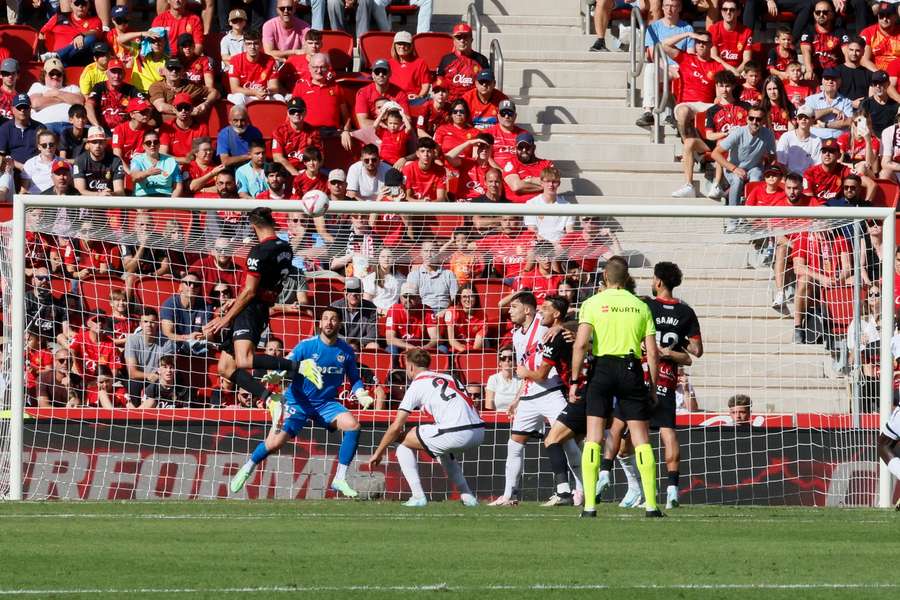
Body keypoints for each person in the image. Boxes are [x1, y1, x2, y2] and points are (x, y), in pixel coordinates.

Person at [230, 306, 373, 498]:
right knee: (274, 444)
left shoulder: (346, 351)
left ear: (339, 323)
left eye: (333, 319)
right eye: (325, 318)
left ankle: (339, 478)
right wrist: (276, 376)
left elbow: (354, 378)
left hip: (325, 404)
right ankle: (248, 467)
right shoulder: (306, 346)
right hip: (297, 401)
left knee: (353, 426)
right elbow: (285, 365)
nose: (329, 322)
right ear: (320, 323)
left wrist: (361, 392)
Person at [572, 257, 662, 518]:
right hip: (630, 369)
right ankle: (651, 506)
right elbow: (653, 353)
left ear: (604, 278)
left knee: (594, 437)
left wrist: (576, 379)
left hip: (601, 369)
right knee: (641, 438)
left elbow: (580, 345)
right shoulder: (640, 306)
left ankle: (589, 506)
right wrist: (653, 386)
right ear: (626, 279)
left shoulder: (591, 303)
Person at [609, 262, 702, 510]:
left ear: (658, 281)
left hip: (640, 377)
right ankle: (672, 491)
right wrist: (673, 348)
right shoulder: (686, 312)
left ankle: (626, 483)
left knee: (621, 433)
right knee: (667, 431)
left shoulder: (645, 305)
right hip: (667, 380)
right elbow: (696, 351)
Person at [203, 208, 317, 406]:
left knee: (244, 360)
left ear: (253, 226)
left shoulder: (258, 252)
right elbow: (265, 286)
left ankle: (298, 365)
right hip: (260, 307)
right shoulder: (286, 248)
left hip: (250, 310)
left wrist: (226, 317)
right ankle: (270, 399)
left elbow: (250, 291)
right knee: (225, 368)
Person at [488, 291, 579, 506]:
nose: (509, 311)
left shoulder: (544, 321)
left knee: (567, 442)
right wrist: (518, 397)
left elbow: (574, 320)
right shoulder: (517, 335)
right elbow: (524, 368)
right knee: (514, 444)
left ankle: (581, 491)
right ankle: (510, 495)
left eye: (514, 307)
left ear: (527, 310)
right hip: (529, 394)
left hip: (551, 390)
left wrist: (562, 326)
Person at [368, 348, 483, 507]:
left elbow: (396, 426)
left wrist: (378, 453)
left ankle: (418, 496)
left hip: (456, 432)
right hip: (479, 431)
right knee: (442, 449)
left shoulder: (417, 385)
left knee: (401, 439)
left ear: (410, 367)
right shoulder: (448, 377)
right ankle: (468, 496)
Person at [711, 105, 777, 225]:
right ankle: (733, 220)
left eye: (758, 119)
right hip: (734, 167)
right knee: (737, 180)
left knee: (756, 177)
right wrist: (734, 168)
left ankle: (751, 218)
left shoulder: (768, 135)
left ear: (763, 121)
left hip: (754, 168)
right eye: (751, 118)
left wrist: (768, 172)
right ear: (747, 119)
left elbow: (772, 157)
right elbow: (715, 154)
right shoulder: (738, 132)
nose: (754, 122)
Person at [635, 0, 694, 128]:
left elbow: (690, 55)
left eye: (673, 6)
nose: (669, 9)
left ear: (679, 8)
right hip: (662, 66)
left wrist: (676, 69)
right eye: (666, 6)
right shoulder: (654, 28)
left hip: (680, 67)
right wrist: (669, 68)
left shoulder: (687, 28)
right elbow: (652, 54)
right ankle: (648, 112)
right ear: (662, 7)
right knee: (650, 67)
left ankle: (677, 115)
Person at [291, 53, 353, 151]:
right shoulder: (300, 87)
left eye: (322, 67)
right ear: (309, 68)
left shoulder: (336, 88)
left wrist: (346, 131)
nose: (319, 71)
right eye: (315, 67)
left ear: (328, 68)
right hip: (307, 133)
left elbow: (346, 116)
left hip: (331, 134)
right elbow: (290, 113)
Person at [124, 306, 178, 403]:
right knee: (133, 383)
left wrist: (157, 375)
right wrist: (149, 375)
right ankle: (135, 414)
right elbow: (132, 373)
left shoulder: (167, 342)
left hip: (159, 377)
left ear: (157, 323)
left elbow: (168, 367)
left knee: (168, 381)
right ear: (140, 324)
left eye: (152, 322)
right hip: (140, 378)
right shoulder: (132, 340)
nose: (149, 325)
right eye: (145, 322)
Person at [39, 0, 103, 67]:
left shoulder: (95, 20)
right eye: (77, 3)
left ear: (89, 5)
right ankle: (57, 56)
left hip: (76, 57)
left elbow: (96, 32)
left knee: (91, 38)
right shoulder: (59, 17)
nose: (80, 6)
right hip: (56, 62)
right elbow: (42, 33)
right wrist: (41, 51)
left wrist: (82, 35)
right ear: (71, 4)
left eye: (84, 3)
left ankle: (57, 55)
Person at [85, 58, 143, 132]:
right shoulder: (99, 87)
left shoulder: (131, 89)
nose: (116, 76)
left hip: (125, 132)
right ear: (107, 73)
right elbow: (88, 105)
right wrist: (97, 126)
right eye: (113, 72)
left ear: (124, 74)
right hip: (103, 132)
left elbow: (143, 105)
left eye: (119, 72)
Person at [149, 57, 219, 117]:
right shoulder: (157, 86)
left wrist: (206, 103)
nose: (174, 71)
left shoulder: (191, 86)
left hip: (189, 125)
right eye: (170, 68)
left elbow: (214, 92)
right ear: (163, 71)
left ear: (183, 72)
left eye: (177, 69)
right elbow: (161, 107)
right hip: (166, 126)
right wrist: (187, 112)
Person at [227, 31, 282, 106]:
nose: (252, 47)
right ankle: (239, 118)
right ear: (244, 45)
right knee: (238, 97)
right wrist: (254, 92)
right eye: (249, 44)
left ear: (260, 44)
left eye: (255, 43)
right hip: (245, 95)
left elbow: (275, 87)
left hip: (263, 94)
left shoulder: (270, 60)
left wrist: (265, 91)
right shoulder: (235, 60)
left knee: (279, 98)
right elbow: (234, 89)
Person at [436, 23, 490, 101]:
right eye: (458, 37)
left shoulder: (481, 60)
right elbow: (439, 85)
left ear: (471, 39)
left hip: (473, 104)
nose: (462, 40)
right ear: (453, 40)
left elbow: (488, 85)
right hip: (450, 105)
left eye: (465, 37)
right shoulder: (446, 60)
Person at [272, 97, 323, 178]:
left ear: (305, 112)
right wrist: (297, 175)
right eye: (292, 111)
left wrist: (309, 173)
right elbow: (277, 157)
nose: (296, 113)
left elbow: (320, 157)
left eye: (299, 111)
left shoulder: (314, 132)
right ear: (288, 113)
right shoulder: (279, 131)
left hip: (309, 169)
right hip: (287, 171)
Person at [523, 167, 574, 245]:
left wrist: (557, 245)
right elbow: (532, 231)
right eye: (548, 181)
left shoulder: (567, 206)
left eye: (554, 182)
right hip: (539, 245)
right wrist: (547, 245)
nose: (551, 185)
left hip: (560, 246)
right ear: (541, 183)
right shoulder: (531, 204)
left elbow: (570, 232)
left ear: (559, 183)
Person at [384, 282, 439, 354]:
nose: (408, 299)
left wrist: (425, 347)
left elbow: (436, 338)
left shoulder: (427, 310)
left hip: (424, 348)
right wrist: (412, 348)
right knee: (391, 349)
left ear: (419, 298)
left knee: (442, 349)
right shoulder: (394, 310)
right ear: (400, 298)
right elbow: (389, 339)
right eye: (405, 296)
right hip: (402, 347)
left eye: (412, 296)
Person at [799, 0, 849, 78]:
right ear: (814, 14)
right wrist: (809, 70)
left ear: (832, 14)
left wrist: (847, 71)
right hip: (815, 72)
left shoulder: (840, 31)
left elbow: (847, 52)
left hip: (835, 73)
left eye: (825, 12)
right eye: (818, 12)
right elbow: (806, 51)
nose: (821, 15)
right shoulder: (808, 31)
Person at [355, 59, 410, 129]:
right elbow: (363, 123)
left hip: (394, 132)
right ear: (372, 75)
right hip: (371, 131)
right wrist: (386, 125)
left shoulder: (399, 93)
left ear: (390, 73)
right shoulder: (363, 93)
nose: (381, 75)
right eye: (377, 72)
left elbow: (408, 119)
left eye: (384, 72)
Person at [28, 58, 84, 126]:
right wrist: (65, 99)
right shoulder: (37, 86)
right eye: (52, 74)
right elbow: (35, 104)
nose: (55, 76)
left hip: (70, 127)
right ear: (44, 74)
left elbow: (80, 102)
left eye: (58, 74)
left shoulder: (72, 88)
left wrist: (56, 93)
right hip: (45, 126)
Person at [502, 132, 554, 204]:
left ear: (534, 148)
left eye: (527, 147)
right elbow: (516, 187)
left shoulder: (547, 164)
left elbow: (551, 182)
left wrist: (529, 180)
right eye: (520, 147)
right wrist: (542, 188)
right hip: (516, 208)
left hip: (541, 207)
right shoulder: (511, 163)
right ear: (516, 148)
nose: (524, 150)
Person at [73, 126, 126, 196]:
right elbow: (80, 191)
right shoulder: (80, 161)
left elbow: (120, 192)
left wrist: (110, 194)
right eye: (94, 142)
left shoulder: (115, 161)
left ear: (105, 143)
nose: (97, 145)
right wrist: (99, 194)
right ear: (88, 144)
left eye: (101, 142)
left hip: (109, 203)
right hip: (86, 204)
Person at [408, 240, 458, 313]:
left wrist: (446, 311)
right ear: (421, 253)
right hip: (423, 312)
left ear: (438, 253)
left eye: (432, 251)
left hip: (445, 312)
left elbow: (455, 299)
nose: (429, 254)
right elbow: (411, 299)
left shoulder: (448, 274)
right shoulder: (414, 275)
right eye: (426, 251)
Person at [804, 68, 853, 141]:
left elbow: (849, 121)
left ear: (839, 82)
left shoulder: (846, 101)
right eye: (827, 79)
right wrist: (831, 109)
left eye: (834, 79)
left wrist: (824, 124)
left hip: (839, 141)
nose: (830, 81)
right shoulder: (811, 99)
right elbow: (807, 117)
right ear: (822, 81)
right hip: (816, 140)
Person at [130, 129, 183, 197]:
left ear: (159, 144)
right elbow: (134, 177)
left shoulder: (171, 161)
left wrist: (171, 204)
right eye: (148, 143)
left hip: (166, 198)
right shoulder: (137, 160)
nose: (152, 145)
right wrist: (147, 173)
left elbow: (178, 186)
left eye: (156, 142)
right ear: (143, 146)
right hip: (143, 198)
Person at [159, 93, 210, 163]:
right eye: (179, 107)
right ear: (174, 109)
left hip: (195, 164)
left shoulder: (202, 127)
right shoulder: (167, 127)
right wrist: (184, 160)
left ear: (192, 109)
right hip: (173, 165)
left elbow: (203, 153)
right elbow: (163, 153)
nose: (183, 111)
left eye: (186, 107)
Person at [331, 276, 379, 350]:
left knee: (374, 346)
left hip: (361, 345)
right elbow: (331, 331)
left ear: (362, 292)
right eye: (350, 290)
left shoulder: (371, 308)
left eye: (357, 291)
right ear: (345, 292)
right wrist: (348, 343)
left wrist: (356, 343)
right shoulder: (335, 306)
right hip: (339, 344)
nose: (353, 294)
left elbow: (373, 335)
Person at [708, 0, 753, 76]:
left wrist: (736, 72)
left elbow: (747, 59)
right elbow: (714, 56)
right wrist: (732, 70)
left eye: (732, 10)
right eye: (725, 9)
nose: (728, 12)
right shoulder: (713, 29)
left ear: (738, 12)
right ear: (721, 12)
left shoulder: (747, 32)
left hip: (739, 70)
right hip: (719, 70)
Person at [0, 94, 44, 169]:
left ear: (30, 109)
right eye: (19, 107)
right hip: (11, 168)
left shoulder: (40, 128)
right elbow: (1, 155)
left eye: (25, 107)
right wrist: (21, 166)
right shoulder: (5, 128)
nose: (22, 110)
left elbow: (45, 152)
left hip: (36, 168)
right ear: (12, 109)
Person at [776, 105, 821, 174]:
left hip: (807, 178)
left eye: (806, 117)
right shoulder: (786, 137)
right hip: (788, 177)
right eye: (800, 117)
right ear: (797, 120)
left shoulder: (817, 140)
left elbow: (816, 166)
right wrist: (790, 178)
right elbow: (781, 163)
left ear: (813, 120)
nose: (803, 119)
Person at [388, 30, 430, 101]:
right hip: (393, 99)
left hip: (412, 99)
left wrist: (419, 96)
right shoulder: (389, 63)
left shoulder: (420, 62)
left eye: (405, 44)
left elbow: (425, 84)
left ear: (411, 46)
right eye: (399, 43)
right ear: (394, 45)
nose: (402, 46)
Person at [362, 247, 406, 315]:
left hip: (395, 314)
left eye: (389, 256)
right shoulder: (370, 278)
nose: (386, 259)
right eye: (383, 256)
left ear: (394, 259)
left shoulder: (401, 278)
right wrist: (381, 311)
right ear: (378, 259)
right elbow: (367, 302)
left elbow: (404, 299)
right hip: (376, 314)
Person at [402, 137, 448, 201]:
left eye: (428, 151)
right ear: (417, 154)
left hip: (433, 207)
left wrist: (429, 204)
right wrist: (421, 203)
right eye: (422, 151)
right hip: (413, 208)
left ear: (433, 153)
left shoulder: (441, 171)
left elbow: (441, 198)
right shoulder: (408, 169)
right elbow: (407, 197)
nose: (426, 154)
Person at [444, 284, 485, 353]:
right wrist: (465, 352)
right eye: (464, 297)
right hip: (455, 350)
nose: (468, 300)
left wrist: (471, 354)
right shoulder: (452, 312)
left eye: (471, 296)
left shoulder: (482, 316)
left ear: (476, 298)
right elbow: (451, 340)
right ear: (459, 299)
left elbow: (477, 345)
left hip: (473, 351)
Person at [861, 2, 900, 73]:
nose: (884, 19)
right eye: (881, 15)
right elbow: (864, 60)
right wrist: (880, 75)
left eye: (888, 15)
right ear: (878, 16)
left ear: (895, 17)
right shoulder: (868, 32)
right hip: (876, 74)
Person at [21, 130, 61, 194]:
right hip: (35, 200)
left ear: (56, 145)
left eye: (51, 144)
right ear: (39, 147)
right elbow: (24, 190)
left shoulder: (63, 163)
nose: (48, 147)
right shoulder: (30, 163)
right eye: (44, 145)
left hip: (56, 200)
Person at [838, 36, 872, 107]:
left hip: (862, 112)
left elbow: (872, 99)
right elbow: (829, 98)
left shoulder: (869, 74)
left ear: (863, 52)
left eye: (857, 50)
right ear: (847, 50)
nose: (854, 53)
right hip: (841, 113)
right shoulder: (836, 71)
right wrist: (851, 104)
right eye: (851, 50)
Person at [484, 345, 520, 412]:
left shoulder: (521, 380)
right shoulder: (493, 379)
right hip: (498, 418)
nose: (507, 361)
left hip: (517, 416)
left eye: (510, 358)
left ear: (515, 362)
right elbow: (489, 405)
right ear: (499, 362)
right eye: (503, 358)